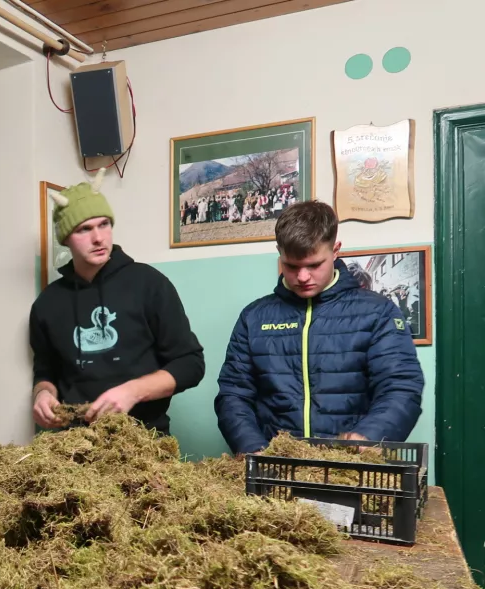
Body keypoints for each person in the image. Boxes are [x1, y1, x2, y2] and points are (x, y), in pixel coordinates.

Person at [215, 200, 424, 456]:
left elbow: (401, 386)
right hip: (274, 467)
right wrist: (250, 447)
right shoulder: (253, 317)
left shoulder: (378, 312)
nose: (302, 277)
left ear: (335, 250)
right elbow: (233, 394)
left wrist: (370, 436)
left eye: (314, 265)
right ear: (279, 252)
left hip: (351, 466)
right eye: (291, 266)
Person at [30, 168, 205, 434]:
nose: (98, 238)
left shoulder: (149, 284)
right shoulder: (47, 304)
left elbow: (190, 365)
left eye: (104, 224)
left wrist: (133, 391)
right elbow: (46, 372)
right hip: (73, 444)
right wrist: (42, 395)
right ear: (66, 238)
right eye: (84, 229)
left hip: (145, 440)